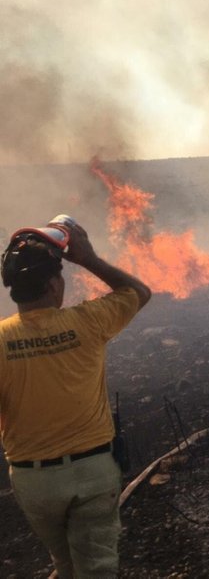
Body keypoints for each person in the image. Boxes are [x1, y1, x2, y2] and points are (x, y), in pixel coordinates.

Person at [0, 221, 151, 578]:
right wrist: (89, 259)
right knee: (96, 568)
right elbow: (139, 292)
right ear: (54, 285)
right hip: (92, 471)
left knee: (64, 563)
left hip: (32, 479)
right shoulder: (88, 321)